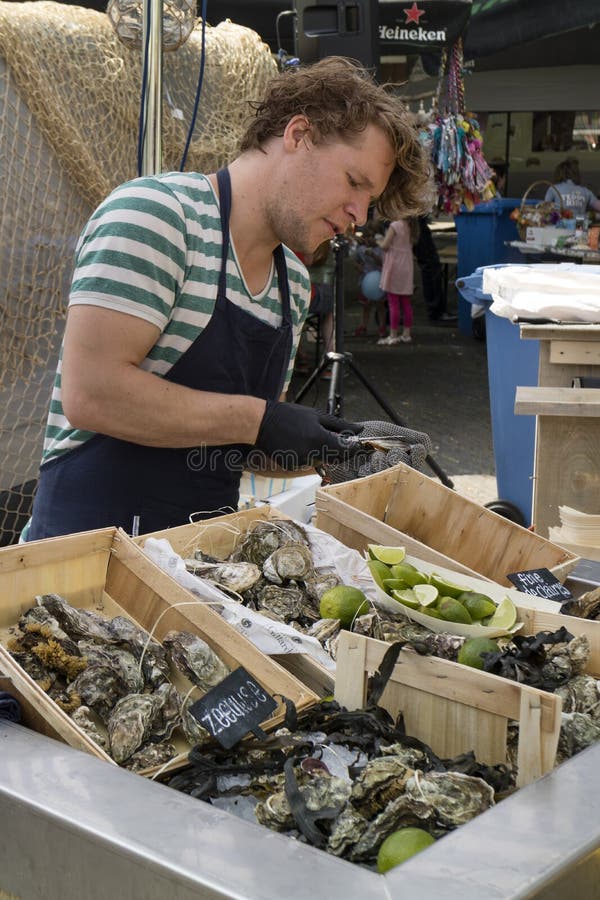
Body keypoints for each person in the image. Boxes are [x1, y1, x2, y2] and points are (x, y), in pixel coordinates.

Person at [24, 56, 432, 540]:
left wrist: (335, 450)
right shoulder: (158, 217)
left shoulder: (292, 286)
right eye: (354, 182)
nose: (358, 215)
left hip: (199, 562)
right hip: (83, 558)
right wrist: (262, 418)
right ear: (299, 135)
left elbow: (239, 441)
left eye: (369, 201)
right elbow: (91, 395)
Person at [377, 217, 420, 345]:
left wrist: (378, 241)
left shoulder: (395, 225)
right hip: (406, 265)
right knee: (406, 302)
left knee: (393, 302)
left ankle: (393, 334)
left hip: (394, 266)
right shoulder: (412, 226)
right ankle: (406, 334)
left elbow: (385, 246)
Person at [350, 221, 386, 338]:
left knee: (380, 305)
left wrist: (373, 256)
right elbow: (354, 260)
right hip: (365, 280)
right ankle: (363, 325)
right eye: (368, 236)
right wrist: (357, 266)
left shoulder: (381, 250)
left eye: (373, 236)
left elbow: (384, 263)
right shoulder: (361, 249)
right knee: (366, 305)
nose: (370, 239)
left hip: (379, 281)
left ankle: (382, 326)